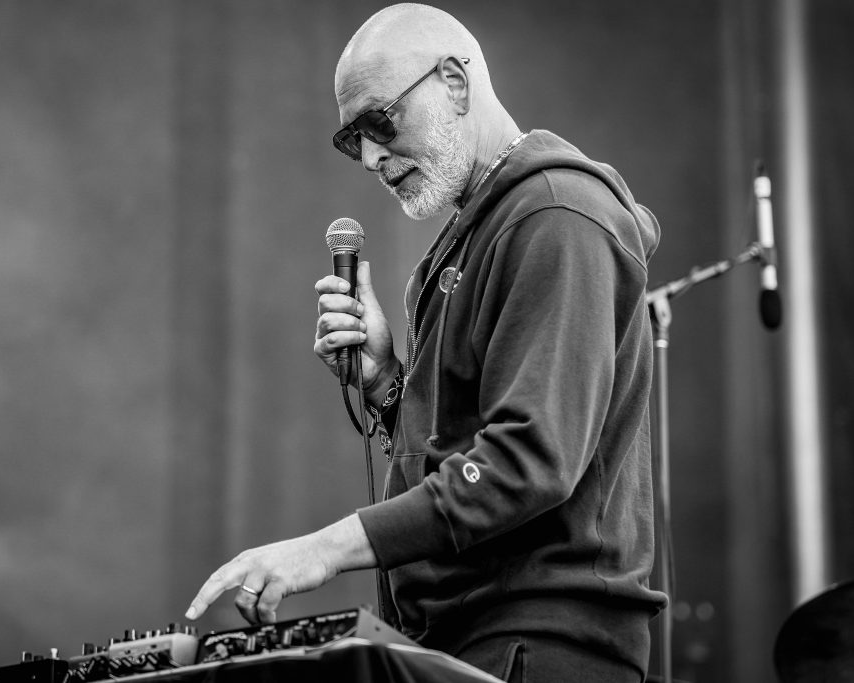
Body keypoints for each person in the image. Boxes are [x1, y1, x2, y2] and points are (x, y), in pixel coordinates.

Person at [186, 4, 667, 680]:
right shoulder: (475, 239)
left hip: (538, 642)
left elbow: (527, 462)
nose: (371, 158)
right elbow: (468, 451)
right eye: (351, 140)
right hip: (474, 640)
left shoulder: (557, 217)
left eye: (379, 123)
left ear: (454, 82)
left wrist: (325, 548)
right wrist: (387, 384)